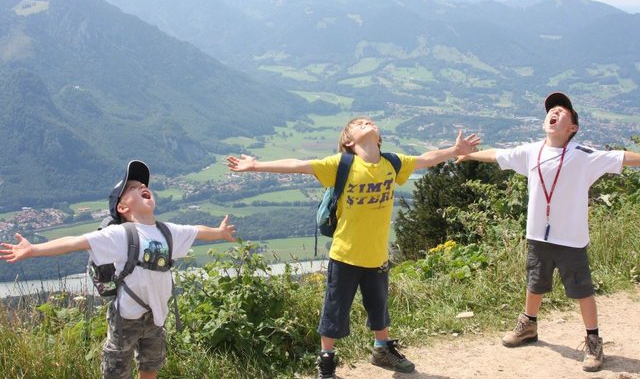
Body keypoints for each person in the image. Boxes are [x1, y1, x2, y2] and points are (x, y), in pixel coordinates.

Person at [226, 117, 480, 379]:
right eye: (359, 123)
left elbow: (426, 158)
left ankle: (382, 349)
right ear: (348, 141)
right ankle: (326, 360)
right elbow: (297, 165)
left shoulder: (392, 163)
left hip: (377, 254)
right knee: (335, 310)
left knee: (379, 306)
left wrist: (454, 151)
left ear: (379, 138)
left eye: (369, 121)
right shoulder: (342, 165)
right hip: (345, 254)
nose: (367, 122)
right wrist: (255, 165)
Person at [0, 160, 237, 379]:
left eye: (143, 184)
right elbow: (76, 241)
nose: (142, 185)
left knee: (150, 365)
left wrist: (218, 233)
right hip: (126, 317)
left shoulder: (167, 231)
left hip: (157, 315)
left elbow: (195, 230)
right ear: (122, 207)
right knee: (116, 369)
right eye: (133, 186)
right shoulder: (120, 234)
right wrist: (33, 249)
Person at [457, 92, 640, 373]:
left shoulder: (584, 156)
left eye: (562, 110)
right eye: (551, 110)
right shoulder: (533, 151)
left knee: (582, 289)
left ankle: (593, 340)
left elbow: (623, 158)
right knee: (535, 281)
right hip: (537, 236)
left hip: (571, 239)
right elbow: (497, 155)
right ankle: (528, 324)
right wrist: (468, 154)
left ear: (573, 128)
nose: (554, 112)